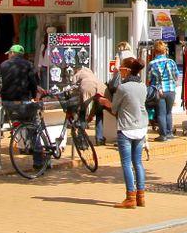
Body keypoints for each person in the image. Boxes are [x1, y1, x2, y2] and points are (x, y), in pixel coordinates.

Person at [0, 44, 45, 167]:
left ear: (12, 53)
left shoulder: (3, 65)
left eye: (9, 54)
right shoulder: (28, 65)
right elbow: (33, 84)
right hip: (23, 104)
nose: (8, 56)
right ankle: (38, 161)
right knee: (34, 128)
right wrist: (34, 97)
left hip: (7, 104)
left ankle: (4, 125)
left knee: (20, 121)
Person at [112, 56, 148, 208]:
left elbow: (114, 108)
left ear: (126, 70)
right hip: (141, 127)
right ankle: (141, 196)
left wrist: (106, 102)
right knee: (138, 162)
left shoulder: (123, 88)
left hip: (126, 128)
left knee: (126, 163)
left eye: (121, 69)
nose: (120, 72)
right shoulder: (143, 86)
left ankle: (130, 197)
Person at [146, 40, 180, 141]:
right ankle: (169, 133)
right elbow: (176, 76)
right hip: (171, 90)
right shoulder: (171, 62)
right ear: (165, 50)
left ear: (155, 51)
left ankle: (163, 135)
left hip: (159, 91)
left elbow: (149, 79)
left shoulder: (152, 63)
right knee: (169, 112)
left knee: (161, 113)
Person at [70, 64, 107, 144]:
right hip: (101, 87)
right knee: (99, 113)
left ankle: (82, 138)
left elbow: (73, 87)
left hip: (88, 86)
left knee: (82, 113)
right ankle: (99, 138)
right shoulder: (90, 72)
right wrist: (91, 115)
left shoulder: (78, 74)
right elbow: (95, 105)